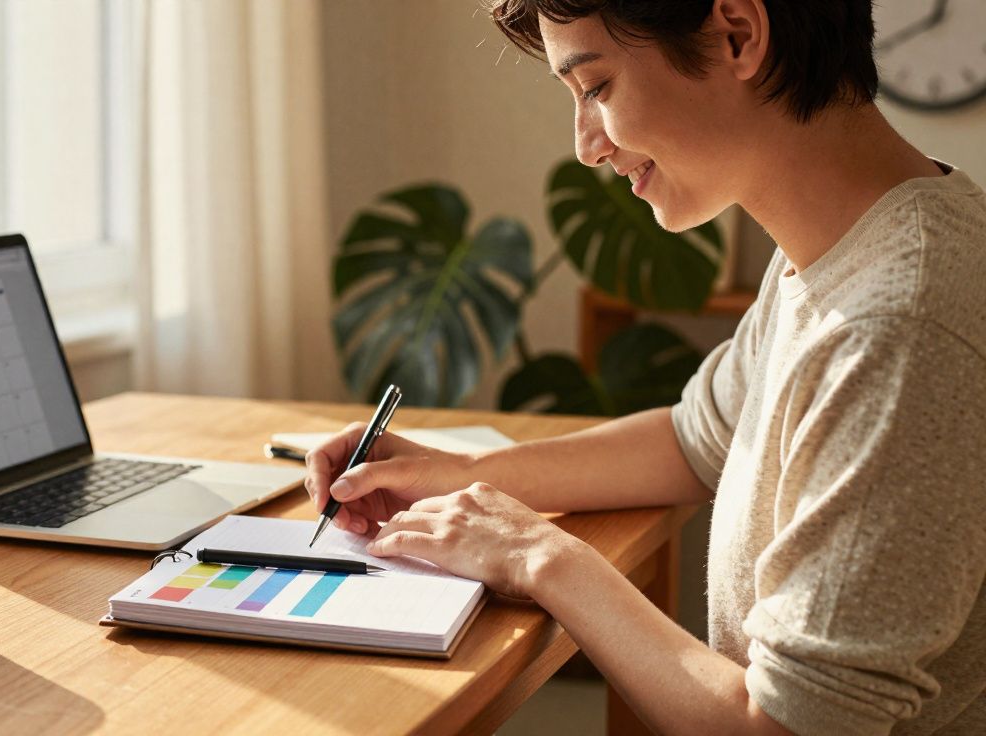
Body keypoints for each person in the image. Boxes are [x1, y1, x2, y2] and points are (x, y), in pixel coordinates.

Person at [304, 1, 986, 733]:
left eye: (596, 88)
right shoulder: (845, 248)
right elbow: (695, 441)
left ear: (738, 34)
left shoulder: (896, 326)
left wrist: (543, 557)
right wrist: (451, 473)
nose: (586, 146)